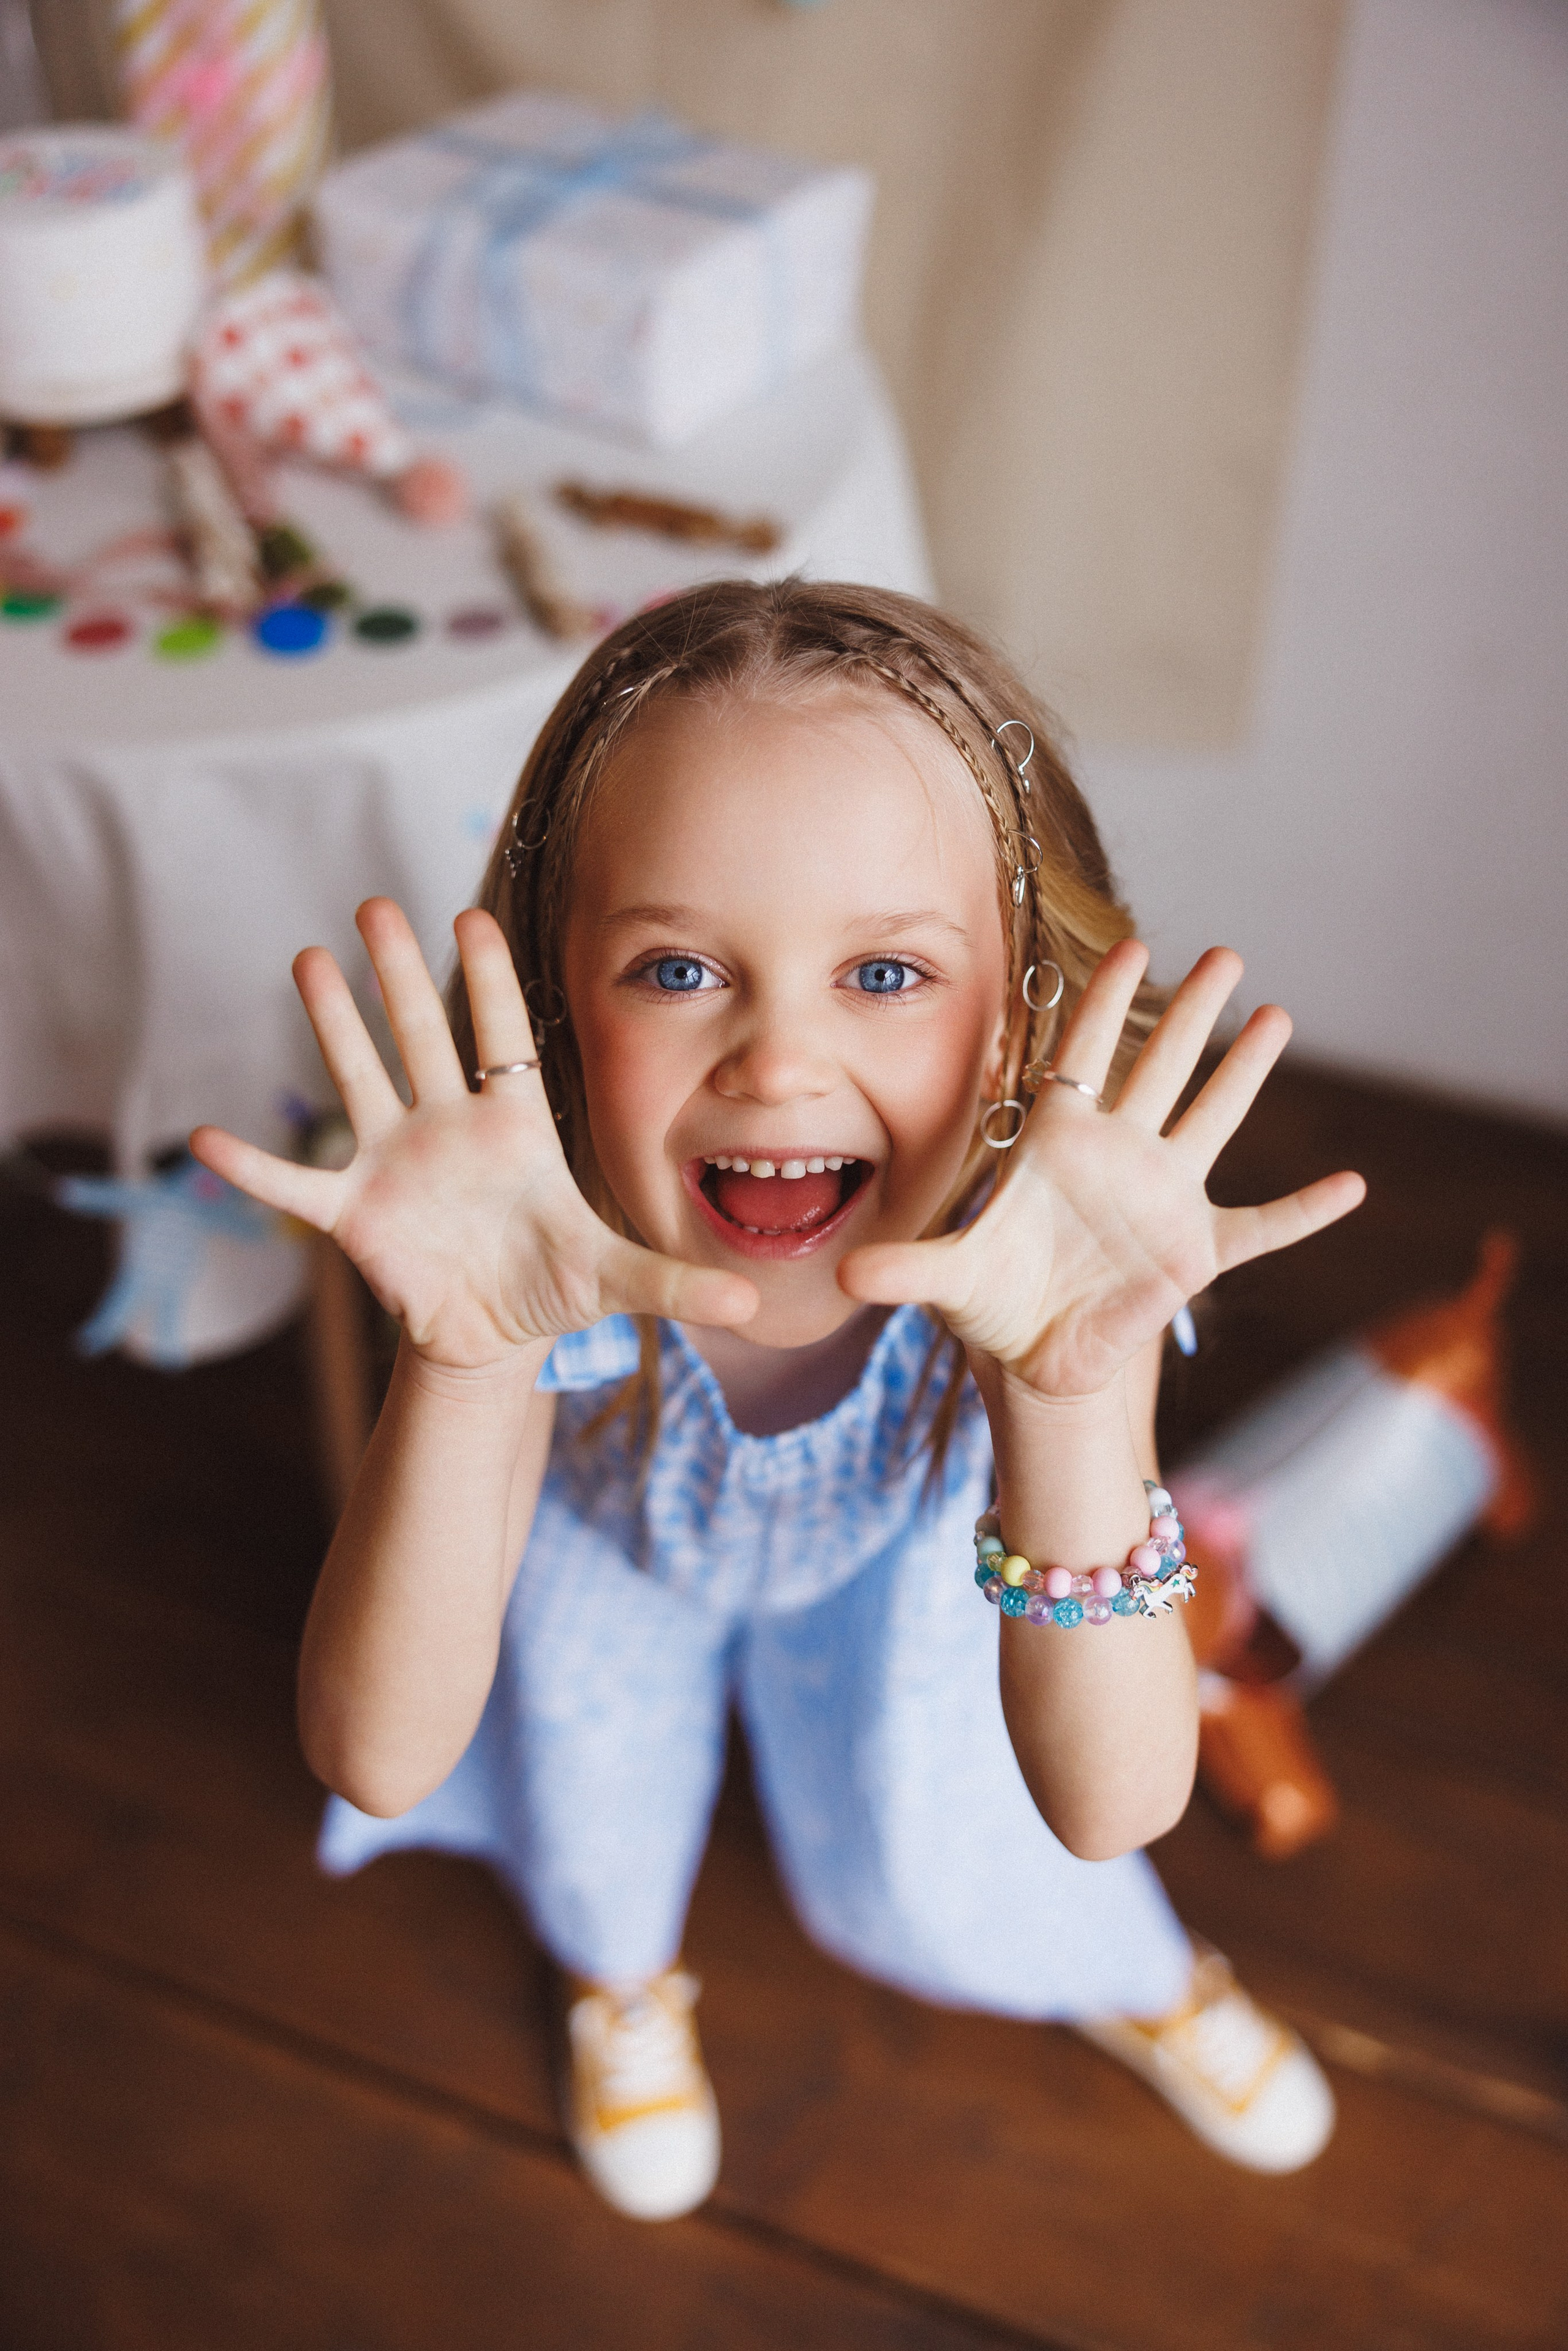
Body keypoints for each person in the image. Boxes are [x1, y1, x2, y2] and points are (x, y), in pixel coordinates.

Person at [194, 580, 1363, 2221]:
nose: (775, 1061)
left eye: (886, 975)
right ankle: (621, 1978)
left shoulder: (1037, 1280)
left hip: (911, 1580)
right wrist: (464, 1361)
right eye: (677, 968)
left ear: (1026, 1004)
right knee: (596, 1818)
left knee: (959, 1854)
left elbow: (1114, 1801)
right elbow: (378, 1756)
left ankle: (1136, 1978)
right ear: (554, 1002)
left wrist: (1067, 1395)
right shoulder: (548, 1262)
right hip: (606, 1566)